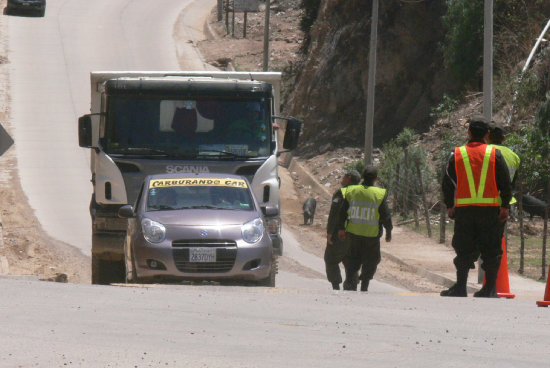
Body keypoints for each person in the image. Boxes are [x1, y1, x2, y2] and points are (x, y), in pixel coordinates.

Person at [441, 116, 512, 298]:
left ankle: (461, 287)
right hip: (489, 211)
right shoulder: (494, 154)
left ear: (469, 133)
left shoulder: (457, 154)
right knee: (491, 250)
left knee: (463, 249)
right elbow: (505, 182)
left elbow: (447, 182)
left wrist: (450, 205)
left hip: (465, 211)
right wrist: (505, 205)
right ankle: (490, 290)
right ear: (487, 134)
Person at [337, 166, 392, 292]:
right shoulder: (378, 194)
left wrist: (341, 228)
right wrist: (388, 231)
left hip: (353, 234)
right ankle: (364, 283)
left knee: (352, 260)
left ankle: (350, 283)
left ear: (362, 176)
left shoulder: (351, 191)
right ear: (376, 179)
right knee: (372, 261)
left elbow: (342, 211)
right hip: (371, 237)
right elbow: (386, 215)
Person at [325, 169, 361, 290]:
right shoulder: (362, 193)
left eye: (344, 176)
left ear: (349, 178)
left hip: (341, 233)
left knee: (330, 258)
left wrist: (330, 233)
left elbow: (335, 213)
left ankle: (336, 285)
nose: (342, 178)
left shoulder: (342, 192)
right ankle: (351, 285)